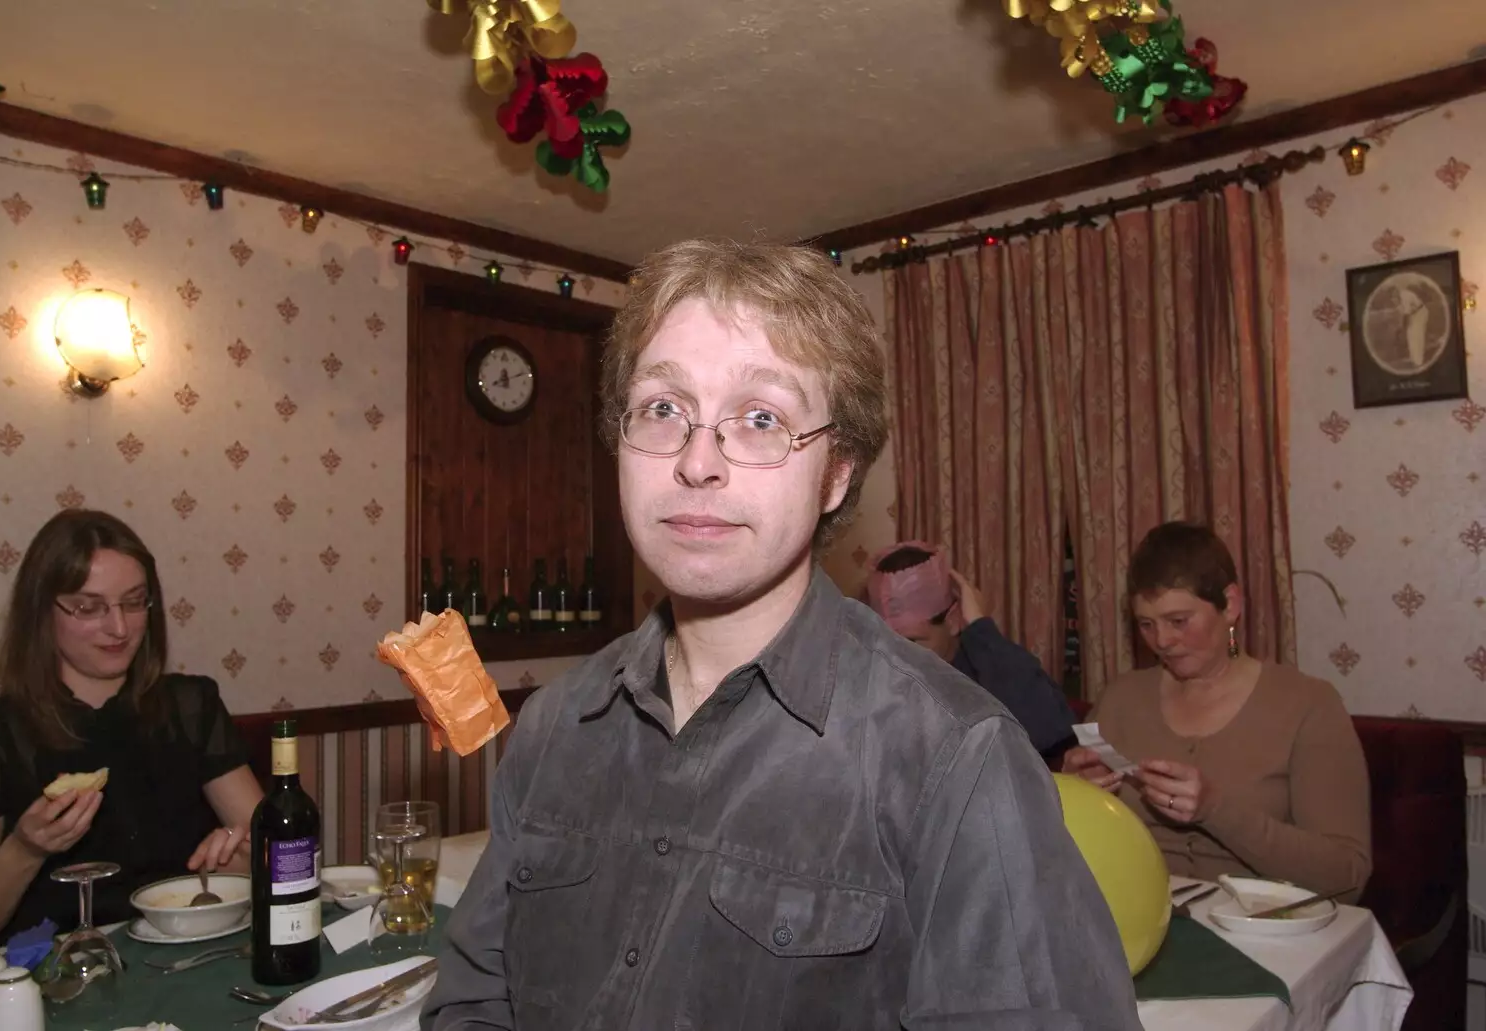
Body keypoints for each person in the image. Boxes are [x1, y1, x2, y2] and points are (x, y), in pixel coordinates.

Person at [424, 240, 1140, 1029]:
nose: (698, 461)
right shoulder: (558, 725)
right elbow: (473, 1001)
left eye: (761, 418)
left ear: (836, 472)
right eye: (664, 408)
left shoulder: (955, 759)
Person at [0, 510, 264, 956]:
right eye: (89, 607)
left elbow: (279, 848)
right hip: (52, 979)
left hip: (189, 958)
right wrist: (24, 850)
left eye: (134, 602)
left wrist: (247, 864)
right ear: (41, 611)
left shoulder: (190, 706)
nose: (119, 628)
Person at [1062, 521, 1371, 898]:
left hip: (1264, 931)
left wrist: (1216, 810)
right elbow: (1070, 853)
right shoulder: (1121, 699)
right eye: (1146, 624)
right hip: (1141, 917)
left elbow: (1346, 876)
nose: (1162, 641)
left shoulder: (1308, 705)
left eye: (1179, 621)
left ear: (1230, 605)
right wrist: (1071, 796)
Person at [865, 541, 1076, 755]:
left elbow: (1048, 734)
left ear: (953, 620)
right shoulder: (874, 676)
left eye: (912, 642)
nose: (897, 660)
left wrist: (980, 627)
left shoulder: (990, 665)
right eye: (888, 644)